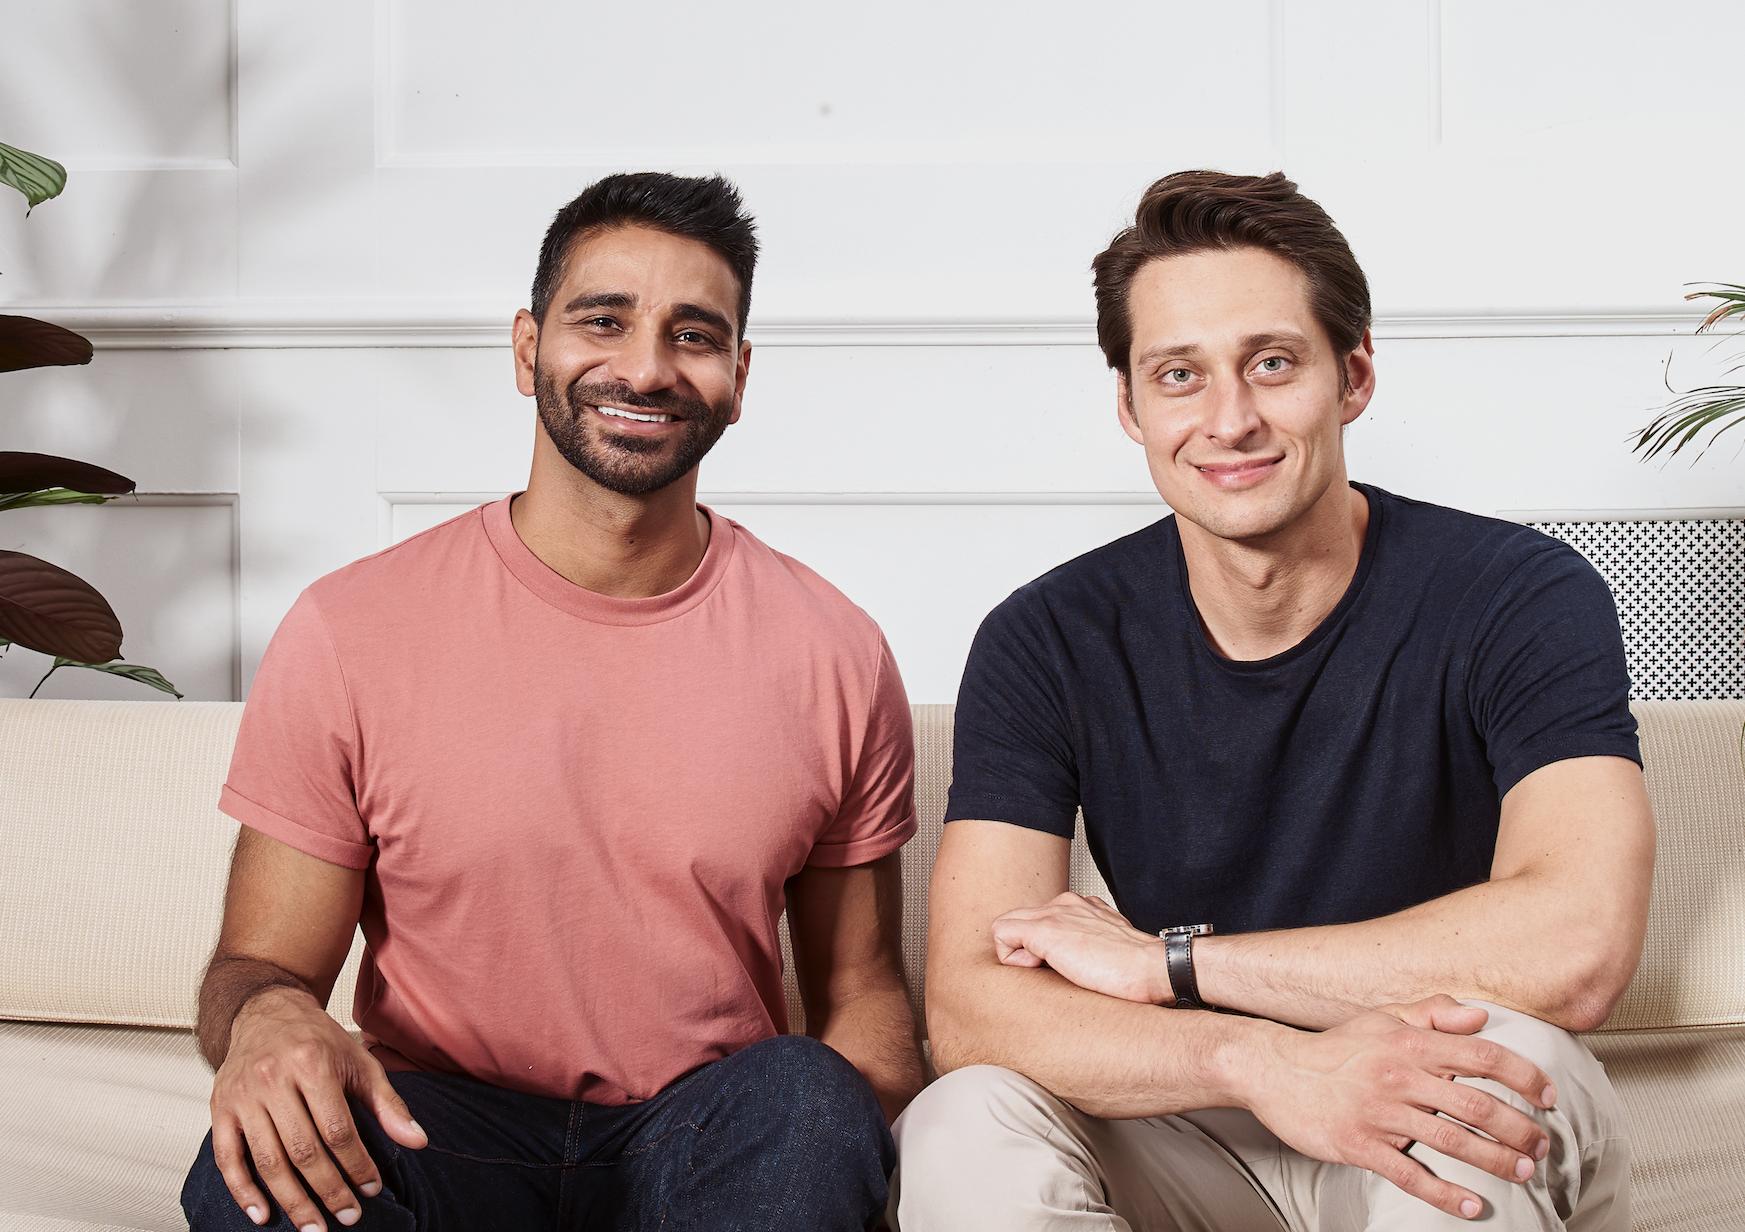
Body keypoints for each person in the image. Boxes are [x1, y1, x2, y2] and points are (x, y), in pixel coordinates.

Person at [893, 171, 1652, 1231]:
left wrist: (1173, 962)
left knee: (1478, 1086)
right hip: (1196, 1119)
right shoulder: (1047, 635)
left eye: (1273, 363)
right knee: (962, 1121)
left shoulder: (1520, 593)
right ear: (1131, 407)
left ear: (1353, 376)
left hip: (1437, 1077)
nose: (1230, 419)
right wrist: (1255, 1060)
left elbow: (1577, 945)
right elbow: (974, 1008)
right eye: (1179, 375)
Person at [181, 172, 923, 1232]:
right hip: (434, 1132)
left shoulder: (835, 650)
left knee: (811, 1092)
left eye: (694, 335)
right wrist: (264, 1017)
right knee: (244, 1174)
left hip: (704, 1139)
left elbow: (862, 996)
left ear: (738, 377)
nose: (646, 367)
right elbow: (260, 963)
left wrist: (849, 1153)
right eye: (603, 321)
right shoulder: (352, 628)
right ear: (528, 348)